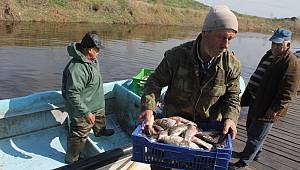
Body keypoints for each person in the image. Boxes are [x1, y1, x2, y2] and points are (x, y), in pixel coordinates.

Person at [137, 5, 241, 169]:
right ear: (205, 32)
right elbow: (154, 82)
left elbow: (233, 96)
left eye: (230, 39)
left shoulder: (231, 65)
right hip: (174, 122)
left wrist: (230, 118)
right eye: (222, 37)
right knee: (160, 164)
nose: (226, 44)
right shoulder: (176, 56)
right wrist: (149, 109)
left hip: (206, 127)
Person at [233, 28, 300, 169]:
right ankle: (254, 154)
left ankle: (244, 162)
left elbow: (289, 91)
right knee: (252, 130)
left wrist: (275, 108)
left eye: (278, 44)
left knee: (256, 135)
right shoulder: (269, 54)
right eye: (273, 43)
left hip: (268, 106)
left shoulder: (292, 63)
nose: (274, 47)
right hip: (255, 100)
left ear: (288, 45)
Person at [62, 31, 115, 164]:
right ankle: (72, 159)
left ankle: (100, 131)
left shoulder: (92, 59)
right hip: (83, 110)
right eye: (97, 49)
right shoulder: (77, 69)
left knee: (100, 119)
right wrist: (86, 112)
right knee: (78, 135)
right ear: (90, 50)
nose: (99, 52)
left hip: (96, 103)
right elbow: (72, 94)